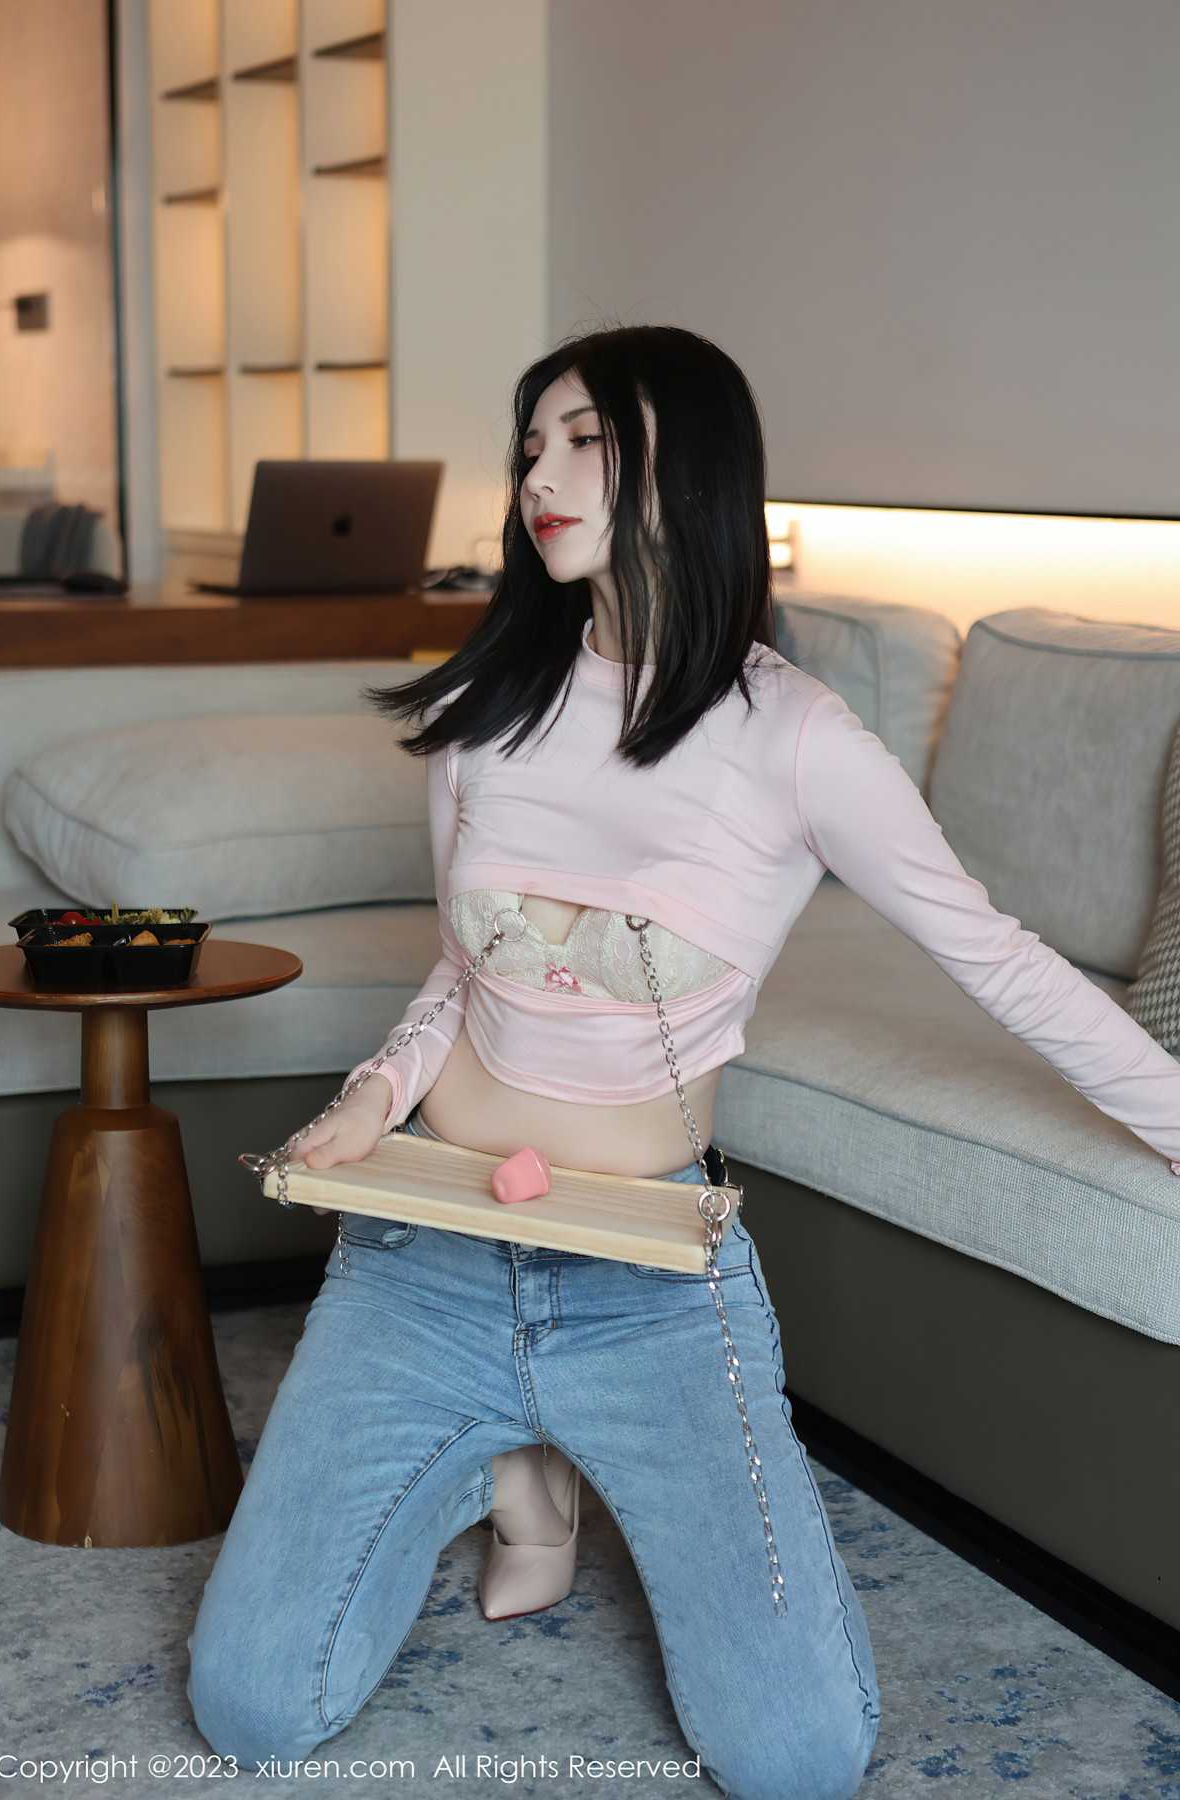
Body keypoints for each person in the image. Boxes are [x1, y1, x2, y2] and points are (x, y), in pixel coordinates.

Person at [186, 324, 1180, 1799]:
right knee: (254, 1707)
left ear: (691, 466)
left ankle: (534, 1454)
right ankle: (517, 1472)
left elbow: (998, 957)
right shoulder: (484, 713)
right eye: (531, 445)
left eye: (586, 440)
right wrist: (371, 1100)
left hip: (649, 1278)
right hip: (428, 1243)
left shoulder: (798, 740)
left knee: (798, 1761)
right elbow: (462, 969)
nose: (540, 476)